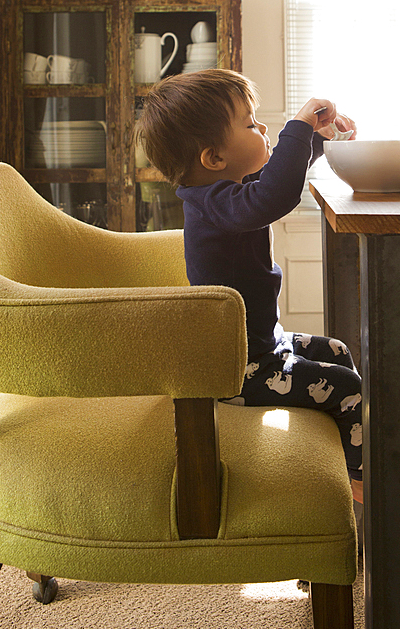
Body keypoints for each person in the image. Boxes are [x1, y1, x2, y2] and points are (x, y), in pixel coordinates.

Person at [138, 68, 363, 505]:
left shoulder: (224, 193)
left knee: (336, 351)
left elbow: (273, 180)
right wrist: (297, 128)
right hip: (236, 370)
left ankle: (340, 447)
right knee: (349, 388)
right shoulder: (215, 206)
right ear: (213, 158)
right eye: (250, 124)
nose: (262, 129)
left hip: (263, 344)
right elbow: (274, 195)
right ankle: (358, 481)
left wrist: (314, 139)